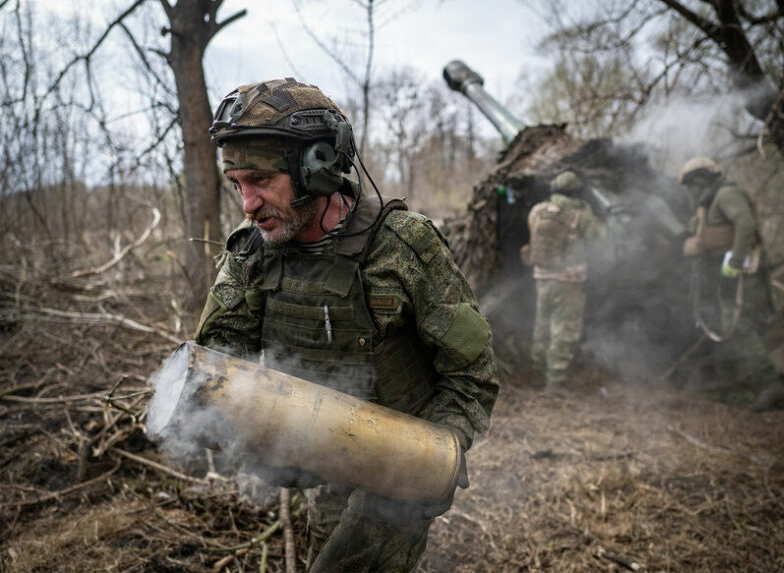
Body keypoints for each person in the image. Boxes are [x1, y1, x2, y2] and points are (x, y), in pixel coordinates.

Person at [196, 78, 499, 572]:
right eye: (237, 184)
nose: (248, 204)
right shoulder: (252, 251)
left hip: (398, 467)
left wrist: (434, 456)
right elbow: (219, 364)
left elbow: (472, 374)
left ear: (317, 168)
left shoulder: (401, 245)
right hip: (322, 458)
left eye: (261, 180)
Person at [678, 156, 784, 409]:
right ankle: (730, 380)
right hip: (725, 271)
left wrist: (734, 264)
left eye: (691, 185)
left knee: (739, 326)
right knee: (723, 323)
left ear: (701, 179)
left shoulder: (726, 195)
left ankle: (771, 385)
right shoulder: (709, 201)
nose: (690, 191)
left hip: (741, 272)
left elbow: (745, 224)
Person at [525, 170, 606, 389]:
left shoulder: (537, 211)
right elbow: (601, 236)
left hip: (542, 277)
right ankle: (555, 382)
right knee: (564, 329)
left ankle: (537, 372)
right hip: (569, 280)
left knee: (542, 325)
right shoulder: (580, 214)